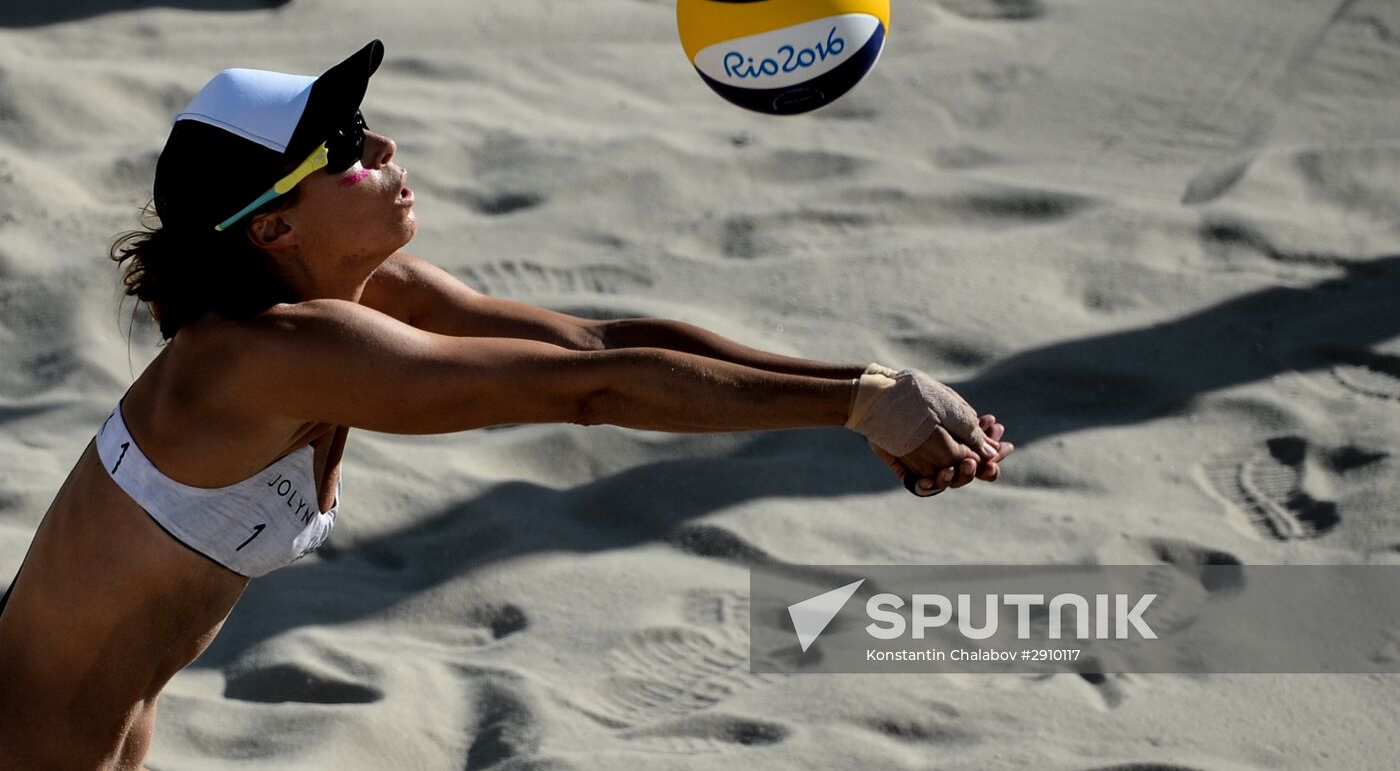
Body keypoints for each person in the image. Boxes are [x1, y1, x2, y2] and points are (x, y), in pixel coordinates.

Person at [0, 40, 1013, 769]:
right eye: (342, 145)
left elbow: (596, 344)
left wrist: (872, 388)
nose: (382, 143)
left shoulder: (358, 294)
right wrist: (855, 408)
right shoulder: (275, 354)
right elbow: (590, 394)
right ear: (271, 229)